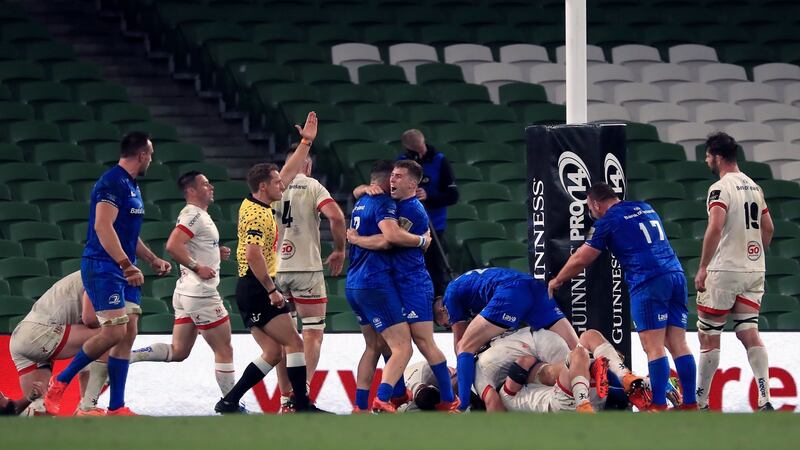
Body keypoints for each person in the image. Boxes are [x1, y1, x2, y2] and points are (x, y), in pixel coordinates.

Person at [44, 131, 172, 416]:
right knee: (114, 331)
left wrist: (151, 259)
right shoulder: (111, 182)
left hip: (123, 267)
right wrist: (127, 265)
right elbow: (103, 227)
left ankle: (116, 406)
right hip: (104, 266)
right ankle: (60, 381)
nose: (151, 159)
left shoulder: (132, 186)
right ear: (141, 155)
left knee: (128, 334)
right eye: (150, 154)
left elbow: (126, 233)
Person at [548, 182, 698, 411]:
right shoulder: (646, 207)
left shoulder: (608, 221)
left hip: (648, 280)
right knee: (679, 344)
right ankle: (690, 404)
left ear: (596, 204)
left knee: (654, 348)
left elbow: (582, 258)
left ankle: (658, 406)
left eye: (590, 207)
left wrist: (558, 280)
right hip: (675, 274)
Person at [214, 112, 318, 414]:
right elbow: (254, 254)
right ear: (263, 186)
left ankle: (229, 401)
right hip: (258, 287)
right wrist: (272, 290)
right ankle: (302, 404)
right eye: (276, 183)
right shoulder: (258, 214)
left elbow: (286, 172)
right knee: (296, 345)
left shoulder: (257, 200)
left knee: (273, 352)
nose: (282, 185)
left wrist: (306, 143)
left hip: (247, 289)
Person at [346, 160, 459, 411]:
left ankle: (449, 399)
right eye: (392, 176)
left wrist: (355, 239)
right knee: (390, 344)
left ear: (412, 183)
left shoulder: (412, 209)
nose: (394, 181)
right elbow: (386, 232)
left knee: (421, 342)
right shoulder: (388, 202)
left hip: (413, 284)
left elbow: (390, 239)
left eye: (399, 177)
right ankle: (392, 396)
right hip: (390, 282)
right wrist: (364, 188)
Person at [129, 171, 236, 402]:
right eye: (205, 184)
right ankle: (230, 403)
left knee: (178, 351)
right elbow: (173, 245)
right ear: (191, 191)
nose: (211, 187)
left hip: (186, 292)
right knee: (224, 349)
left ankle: (128, 357)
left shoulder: (198, 216)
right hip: (201, 293)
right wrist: (198, 267)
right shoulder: (193, 215)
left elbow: (190, 246)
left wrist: (214, 254)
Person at [694, 132, 775, 411]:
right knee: (749, 330)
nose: (706, 160)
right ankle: (765, 398)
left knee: (709, 335)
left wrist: (703, 266)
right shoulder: (754, 187)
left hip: (724, 270)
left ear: (717, 156)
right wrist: (753, 253)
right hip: (754, 269)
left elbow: (715, 226)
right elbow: (769, 229)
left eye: (707, 155)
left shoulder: (720, 188)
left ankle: (700, 402)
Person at [437, 267, 578, 411]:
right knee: (577, 348)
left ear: (442, 312)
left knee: (464, 346)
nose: (449, 325)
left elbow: (460, 342)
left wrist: (460, 372)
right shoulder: (469, 289)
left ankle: (461, 406)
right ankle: (593, 367)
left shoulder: (450, 295)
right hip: (534, 286)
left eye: (446, 325)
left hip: (510, 291)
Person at [271, 145, 346, 411]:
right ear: (308, 165)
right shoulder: (313, 186)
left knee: (285, 338)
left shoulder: (273, 187)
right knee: (312, 332)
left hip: (277, 270)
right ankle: (301, 396)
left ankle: (284, 399)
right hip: (306, 269)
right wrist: (339, 250)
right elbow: (335, 216)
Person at [354, 129, 458, 303]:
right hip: (401, 221)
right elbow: (378, 186)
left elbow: (453, 195)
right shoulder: (401, 163)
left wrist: (429, 197)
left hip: (433, 224)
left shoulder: (440, 160)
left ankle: (437, 306)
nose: (395, 179)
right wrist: (365, 188)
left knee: (434, 269)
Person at [9, 271, 109, 416]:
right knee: (110, 333)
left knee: (36, 408)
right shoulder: (105, 272)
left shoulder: (91, 268)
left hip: (20, 336)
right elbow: (90, 322)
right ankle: (86, 406)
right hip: (40, 332)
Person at [498, 345, 607, 414]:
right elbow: (524, 362)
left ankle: (593, 368)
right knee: (579, 353)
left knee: (579, 364)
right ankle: (593, 367)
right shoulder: (505, 396)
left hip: (590, 405)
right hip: (562, 405)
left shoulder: (519, 404)